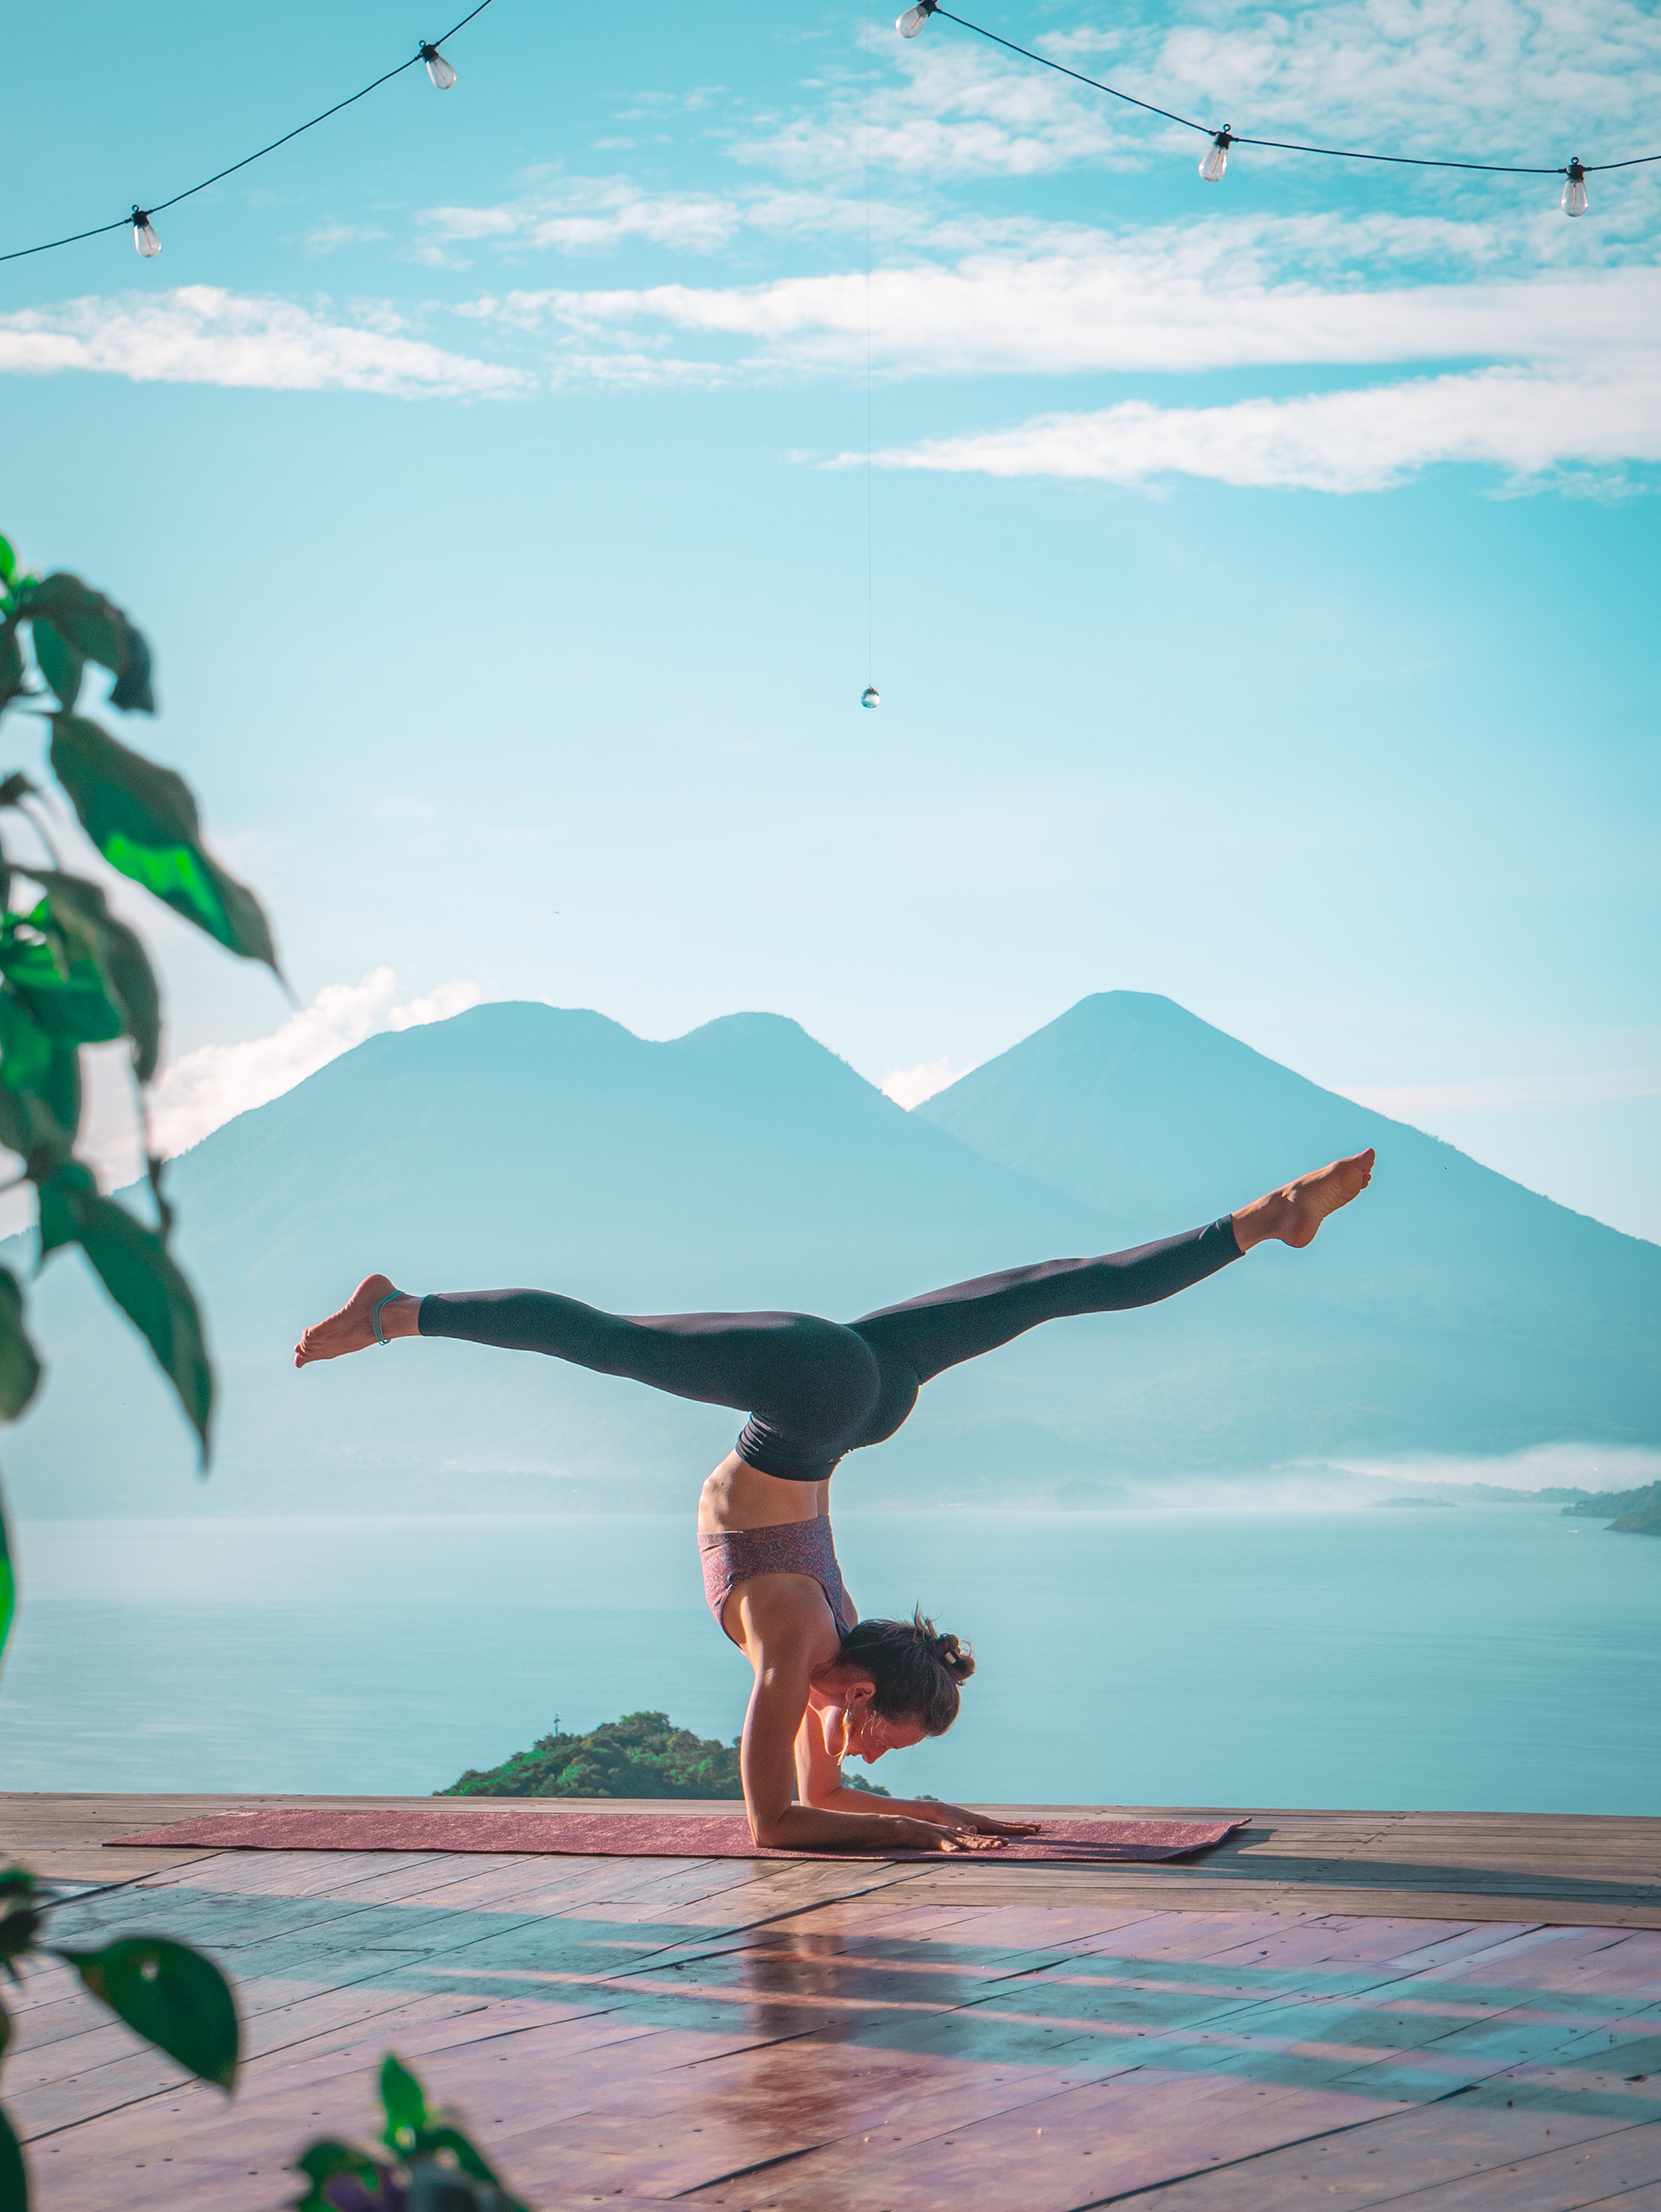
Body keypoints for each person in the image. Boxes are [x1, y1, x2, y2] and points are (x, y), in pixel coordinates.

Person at [296, 1147, 1374, 1854]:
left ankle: (1265, 1217)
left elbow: (811, 1806)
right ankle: (396, 1311)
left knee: (1056, 1288)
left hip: (862, 1394)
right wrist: (925, 1834)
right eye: (889, 1737)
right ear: (863, 1690)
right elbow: (777, 1825)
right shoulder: (797, 1644)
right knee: (609, 1342)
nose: (872, 1751)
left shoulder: (813, 1663)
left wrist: (941, 1816)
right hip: (822, 1393)